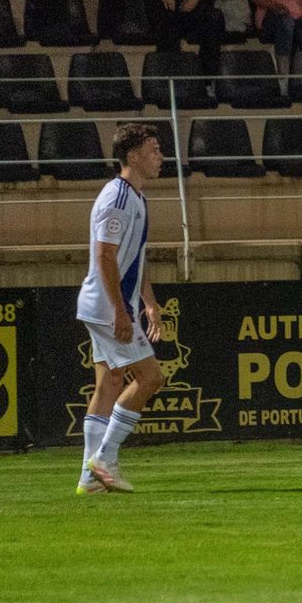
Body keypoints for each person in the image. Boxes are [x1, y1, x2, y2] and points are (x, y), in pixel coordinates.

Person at [75, 123, 168, 494]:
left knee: (110, 383)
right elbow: (105, 256)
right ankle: (103, 458)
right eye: (153, 149)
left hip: (108, 305)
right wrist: (119, 311)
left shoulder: (136, 198)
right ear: (132, 156)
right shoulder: (118, 198)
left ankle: (89, 478)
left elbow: (133, 259)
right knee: (150, 379)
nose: (160, 156)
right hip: (106, 307)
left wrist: (149, 302)